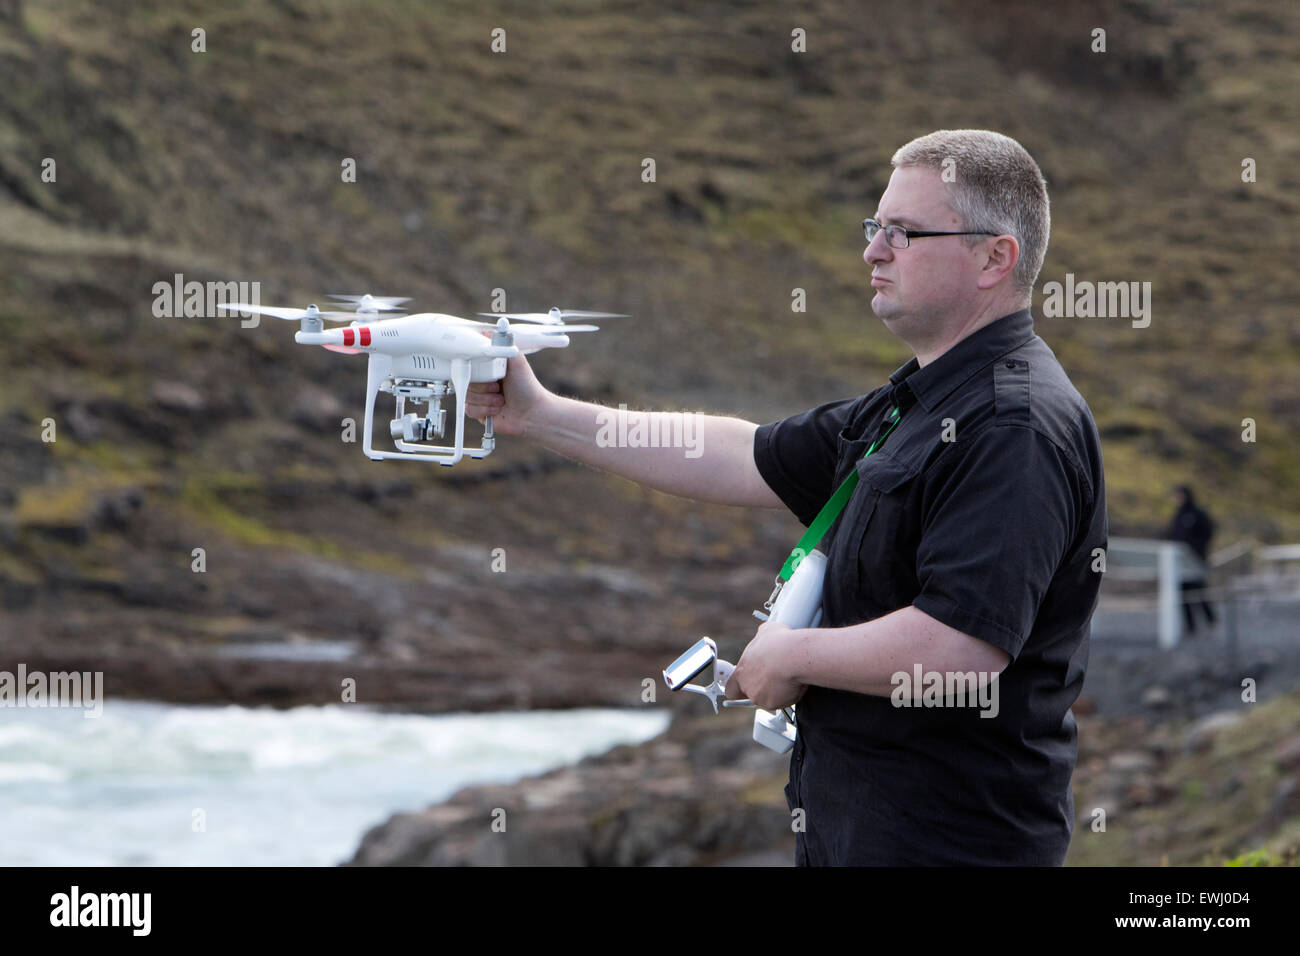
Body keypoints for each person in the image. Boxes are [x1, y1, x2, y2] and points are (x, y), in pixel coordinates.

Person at [465, 129, 1107, 866]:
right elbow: (741, 454)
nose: (873, 251)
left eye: (903, 232)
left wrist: (792, 655)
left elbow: (962, 649)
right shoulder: (915, 403)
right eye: (875, 228)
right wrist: (540, 415)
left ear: (995, 257)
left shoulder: (1013, 426)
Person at [1168, 485, 1216, 635]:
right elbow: (1173, 534)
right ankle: (1190, 626)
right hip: (1180, 562)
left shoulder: (1198, 514)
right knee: (1184, 594)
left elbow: (1208, 532)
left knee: (1199, 591)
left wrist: (1198, 548)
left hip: (1195, 560)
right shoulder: (1179, 514)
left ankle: (1211, 620)